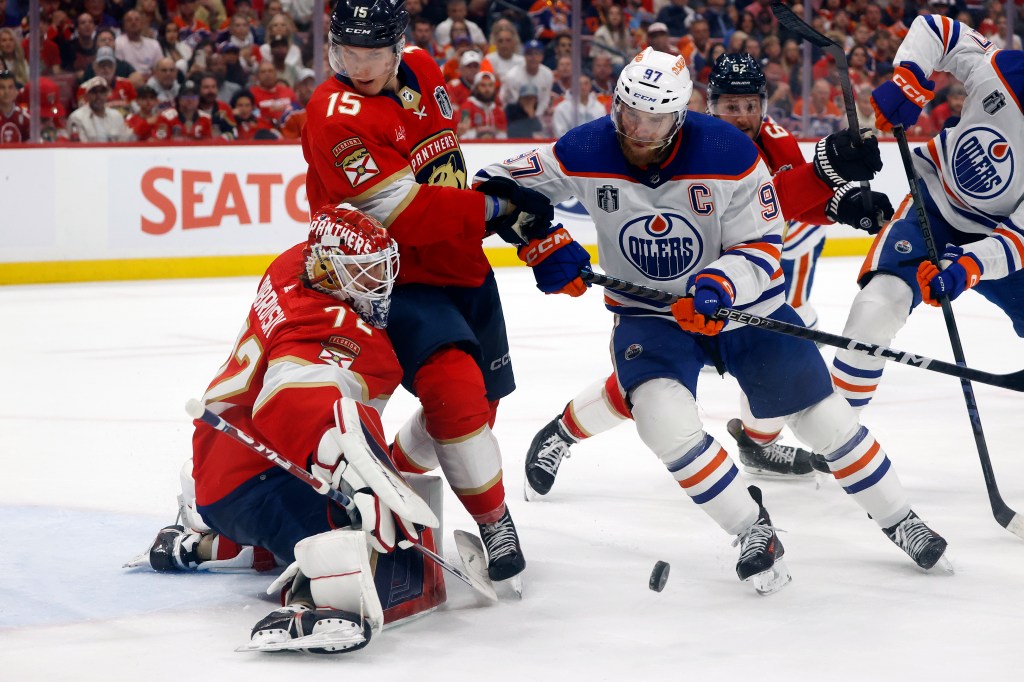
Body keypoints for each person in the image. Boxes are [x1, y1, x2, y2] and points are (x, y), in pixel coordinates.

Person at [479, 48, 949, 592]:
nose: (637, 129)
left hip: (746, 308)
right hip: (651, 315)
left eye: (653, 118)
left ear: (679, 115)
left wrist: (721, 284)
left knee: (825, 420)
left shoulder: (730, 153)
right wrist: (538, 236)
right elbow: (497, 184)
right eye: (629, 113)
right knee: (659, 416)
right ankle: (753, 530)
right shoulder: (584, 148)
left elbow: (763, 242)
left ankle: (899, 517)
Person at [523, 52, 893, 484]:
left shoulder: (774, 141)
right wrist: (824, 178)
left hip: (733, 286)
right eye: (730, 107)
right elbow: (783, 193)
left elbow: (778, 208)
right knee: (642, 386)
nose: (741, 117)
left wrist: (837, 205)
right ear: (706, 105)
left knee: (775, 367)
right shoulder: (681, 140)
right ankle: (563, 432)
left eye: (750, 105)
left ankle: (757, 446)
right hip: (666, 288)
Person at [299, 0, 554, 585]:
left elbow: (442, 166)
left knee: (473, 413)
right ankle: (496, 523)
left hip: (462, 266)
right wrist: (493, 207)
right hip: (394, 276)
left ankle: (392, 481)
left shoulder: (424, 67)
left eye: (372, 54)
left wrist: (491, 206)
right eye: (346, 52)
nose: (358, 66)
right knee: (455, 391)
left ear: (399, 47)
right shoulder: (334, 113)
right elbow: (400, 210)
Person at [139, 204, 446, 654]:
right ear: (327, 268)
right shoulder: (331, 325)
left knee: (315, 510)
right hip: (255, 477)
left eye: (381, 269)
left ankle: (202, 547)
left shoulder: (292, 263)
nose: (379, 284)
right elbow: (290, 397)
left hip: (223, 461)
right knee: (344, 528)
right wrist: (350, 471)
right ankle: (308, 606)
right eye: (363, 272)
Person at [832, 15, 1024, 409]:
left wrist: (967, 267)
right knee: (876, 309)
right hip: (933, 208)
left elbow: (1019, 237)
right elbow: (940, 31)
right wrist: (910, 78)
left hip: (1000, 236)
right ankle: (838, 435)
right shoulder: (1007, 72)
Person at [68, 75, 131, 141]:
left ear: (107, 95)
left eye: (102, 92)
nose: (98, 95)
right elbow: (80, 147)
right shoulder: (77, 117)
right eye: (94, 92)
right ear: (87, 96)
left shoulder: (117, 116)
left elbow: (123, 143)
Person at [0, 69, 30, 143]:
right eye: (2, 87)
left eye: (10, 87)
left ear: (16, 91)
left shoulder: (26, 116)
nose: (6, 92)